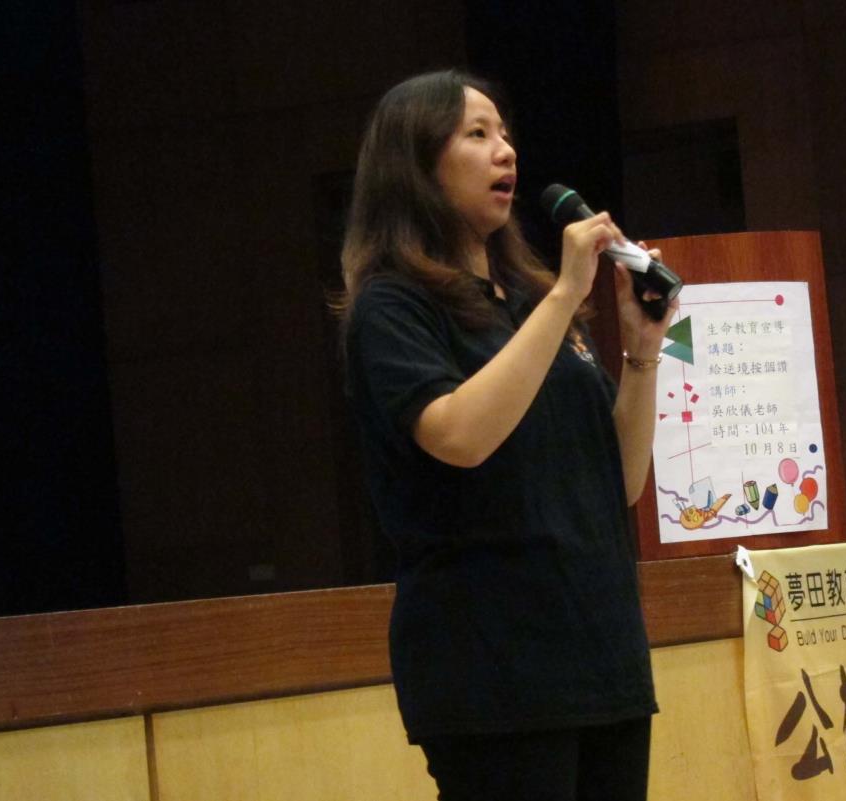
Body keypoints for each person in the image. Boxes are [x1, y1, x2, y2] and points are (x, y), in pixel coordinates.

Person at [337, 70, 677, 801]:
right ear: (416, 163)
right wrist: (567, 292)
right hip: (493, 669)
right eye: (477, 134)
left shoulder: (529, 302)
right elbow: (459, 435)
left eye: (505, 133)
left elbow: (619, 480)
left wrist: (641, 351)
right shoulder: (393, 307)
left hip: (602, 653)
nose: (506, 151)